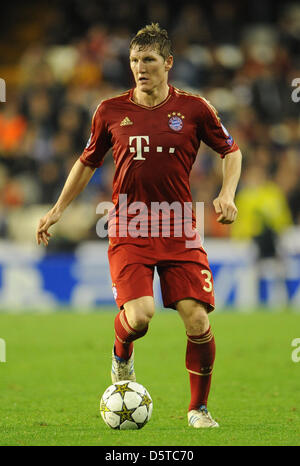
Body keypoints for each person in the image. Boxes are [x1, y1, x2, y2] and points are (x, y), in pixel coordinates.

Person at [36, 23, 242, 428]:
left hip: (179, 226)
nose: (139, 68)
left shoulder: (196, 109)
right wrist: (58, 208)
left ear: (168, 63)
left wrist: (228, 192)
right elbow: (87, 162)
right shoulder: (110, 110)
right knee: (141, 315)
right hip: (129, 224)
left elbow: (231, 151)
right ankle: (121, 354)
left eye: (148, 60)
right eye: (134, 60)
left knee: (198, 319)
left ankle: (198, 409)